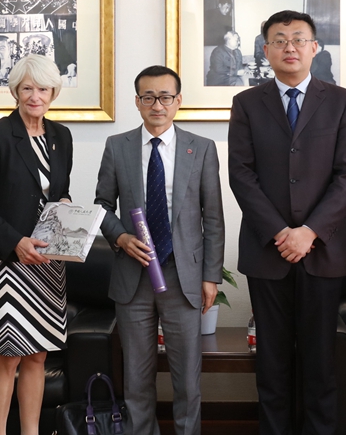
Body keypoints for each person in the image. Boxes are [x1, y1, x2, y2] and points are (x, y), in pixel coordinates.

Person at [228, 10, 346, 435]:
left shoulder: (341, 101)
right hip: (267, 250)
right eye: (279, 40)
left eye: (299, 39)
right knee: (272, 362)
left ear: (314, 47)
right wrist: (279, 231)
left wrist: (309, 232)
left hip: (323, 250)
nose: (290, 47)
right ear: (266, 50)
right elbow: (241, 174)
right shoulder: (247, 103)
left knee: (320, 361)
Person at [94, 65, 224, 435]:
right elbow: (102, 205)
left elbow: (213, 217)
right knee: (136, 380)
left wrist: (211, 277)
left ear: (178, 101)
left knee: (187, 382)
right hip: (133, 276)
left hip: (184, 276)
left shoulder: (201, 148)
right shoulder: (117, 146)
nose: (157, 105)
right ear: (137, 102)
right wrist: (120, 237)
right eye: (148, 97)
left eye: (165, 97)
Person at [0, 54, 73, 435]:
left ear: (53, 92)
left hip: (48, 264)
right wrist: (15, 242)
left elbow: (57, 193)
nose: (35, 96)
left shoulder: (61, 137)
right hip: (9, 263)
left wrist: (66, 204)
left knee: (38, 356)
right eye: (27, 88)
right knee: (8, 357)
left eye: (42, 89)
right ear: (15, 91)